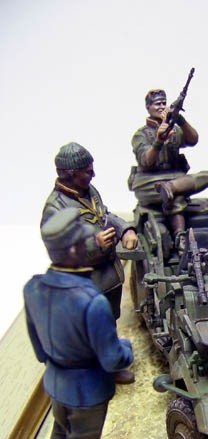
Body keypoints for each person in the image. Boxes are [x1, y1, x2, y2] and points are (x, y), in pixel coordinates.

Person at [24, 208, 134, 439]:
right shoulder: (92, 301)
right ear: (74, 250)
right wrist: (127, 350)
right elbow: (112, 358)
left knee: (61, 429)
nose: (92, 247)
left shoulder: (33, 287)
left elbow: (37, 346)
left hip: (55, 380)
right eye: (86, 243)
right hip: (88, 389)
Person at [41, 142, 137, 382]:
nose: (93, 174)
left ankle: (110, 364)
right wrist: (95, 244)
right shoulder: (55, 208)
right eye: (87, 171)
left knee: (108, 324)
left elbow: (105, 215)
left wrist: (125, 229)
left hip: (109, 277)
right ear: (70, 174)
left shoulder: (89, 190)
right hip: (86, 285)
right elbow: (58, 252)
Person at [129, 88, 208, 247]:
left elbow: (193, 139)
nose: (161, 107)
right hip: (148, 183)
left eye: (163, 103)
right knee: (175, 197)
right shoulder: (141, 135)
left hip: (175, 179)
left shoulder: (174, 129)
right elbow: (146, 161)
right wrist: (159, 141)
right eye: (156, 104)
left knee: (205, 176)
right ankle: (180, 236)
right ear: (148, 107)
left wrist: (179, 118)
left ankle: (170, 188)